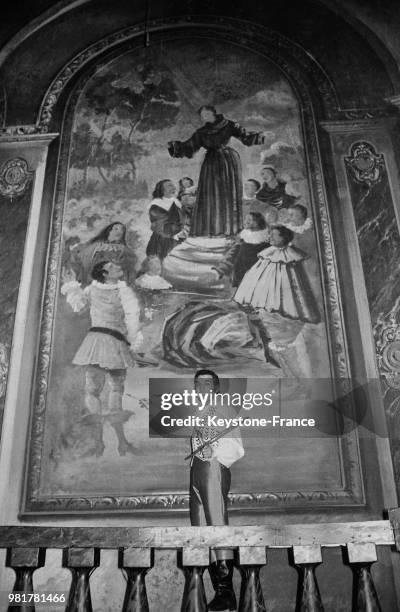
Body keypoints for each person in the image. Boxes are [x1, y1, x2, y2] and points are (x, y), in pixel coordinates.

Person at [61, 261, 143, 456]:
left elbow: (132, 318)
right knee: (104, 390)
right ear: (105, 273)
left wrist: (73, 286)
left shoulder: (119, 291)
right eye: (113, 267)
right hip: (108, 342)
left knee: (100, 391)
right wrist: (132, 341)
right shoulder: (116, 291)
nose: (118, 267)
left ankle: (110, 444)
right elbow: (80, 307)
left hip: (100, 342)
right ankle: (109, 443)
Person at [189, 369, 244, 611]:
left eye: (207, 383)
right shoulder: (197, 412)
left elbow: (237, 446)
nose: (202, 388)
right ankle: (218, 592)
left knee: (217, 522)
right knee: (200, 526)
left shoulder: (224, 409)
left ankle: (226, 591)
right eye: (198, 384)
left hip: (214, 469)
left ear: (216, 387)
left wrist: (216, 453)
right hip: (197, 470)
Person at [168, 105, 265, 237]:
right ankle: (212, 229)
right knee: (210, 193)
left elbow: (245, 136)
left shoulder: (229, 125)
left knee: (227, 192)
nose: (205, 117)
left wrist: (259, 137)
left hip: (228, 161)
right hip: (211, 163)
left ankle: (229, 229)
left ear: (213, 113)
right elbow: (190, 146)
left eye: (207, 114)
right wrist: (176, 147)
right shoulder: (201, 132)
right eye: (202, 116)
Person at [234, 225, 320, 323]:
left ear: (283, 238)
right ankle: (263, 308)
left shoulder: (289, 255)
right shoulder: (268, 253)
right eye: (270, 235)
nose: (270, 237)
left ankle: (282, 311)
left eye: (274, 235)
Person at [212, 212, 270, 287]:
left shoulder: (265, 238)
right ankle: (222, 270)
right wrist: (222, 268)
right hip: (240, 268)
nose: (245, 221)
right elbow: (232, 254)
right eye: (245, 219)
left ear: (257, 223)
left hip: (256, 270)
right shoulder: (244, 236)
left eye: (249, 220)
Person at [70, 221, 136, 286]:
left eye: (122, 230)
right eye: (116, 229)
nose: (119, 231)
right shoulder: (95, 245)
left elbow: (131, 263)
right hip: (94, 279)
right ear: (109, 231)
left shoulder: (124, 249)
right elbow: (81, 257)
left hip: (114, 280)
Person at [145, 179, 186, 260]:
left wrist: (184, 229)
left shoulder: (176, 203)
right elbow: (159, 225)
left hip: (178, 239)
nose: (173, 187)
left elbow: (183, 219)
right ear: (162, 190)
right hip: (162, 241)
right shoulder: (156, 205)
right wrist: (177, 233)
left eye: (173, 185)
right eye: (169, 186)